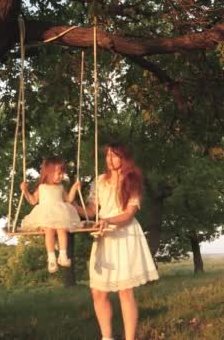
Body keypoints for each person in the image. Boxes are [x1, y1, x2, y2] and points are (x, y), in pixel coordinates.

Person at [75, 143, 159, 340]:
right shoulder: (100, 181)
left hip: (124, 235)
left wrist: (107, 220)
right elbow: (91, 211)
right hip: (104, 236)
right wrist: (71, 203)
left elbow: (128, 215)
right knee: (98, 291)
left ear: (124, 158)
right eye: (108, 156)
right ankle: (107, 337)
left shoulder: (133, 181)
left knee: (125, 291)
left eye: (114, 156)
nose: (109, 159)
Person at [20, 157, 81, 273]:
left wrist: (74, 188)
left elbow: (68, 199)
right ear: (49, 173)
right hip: (45, 215)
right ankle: (51, 258)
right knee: (49, 230)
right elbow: (33, 201)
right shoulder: (41, 187)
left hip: (60, 214)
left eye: (62, 173)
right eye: (58, 173)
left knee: (62, 229)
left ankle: (63, 255)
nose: (61, 176)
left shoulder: (61, 187)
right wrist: (25, 191)